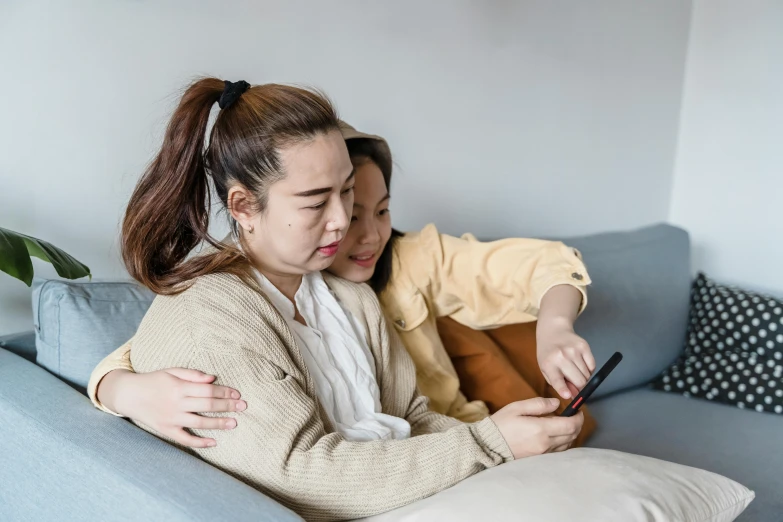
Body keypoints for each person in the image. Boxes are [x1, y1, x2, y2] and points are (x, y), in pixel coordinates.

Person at [96, 77, 585, 521]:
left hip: (422, 491)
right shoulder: (212, 316)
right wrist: (489, 444)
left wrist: (499, 446)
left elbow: (410, 417)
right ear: (244, 206)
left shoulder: (350, 296)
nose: (341, 221)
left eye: (347, 191)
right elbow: (301, 474)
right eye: (315, 201)